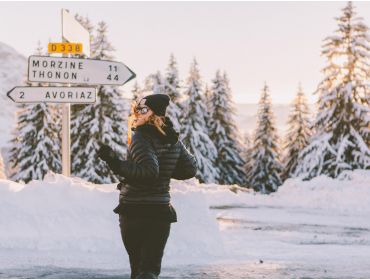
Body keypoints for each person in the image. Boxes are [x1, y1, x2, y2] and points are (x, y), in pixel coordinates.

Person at [98, 93, 197, 279]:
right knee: (150, 270)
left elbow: (149, 172)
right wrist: (166, 170)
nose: (137, 113)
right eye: (136, 109)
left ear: (154, 113)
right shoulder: (172, 138)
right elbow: (190, 169)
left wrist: (114, 162)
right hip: (160, 212)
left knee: (138, 270)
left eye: (143, 109)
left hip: (134, 210)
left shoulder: (141, 137)